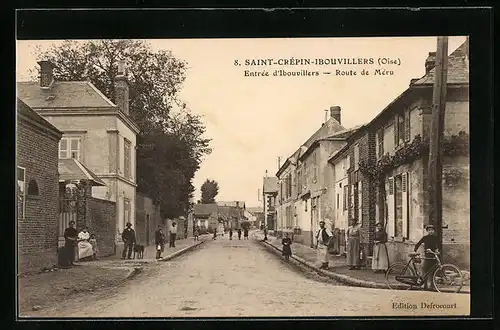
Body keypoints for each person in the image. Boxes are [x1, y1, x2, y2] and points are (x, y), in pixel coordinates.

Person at [414, 225, 439, 290]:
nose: (431, 231)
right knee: (425, 270)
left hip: (434, 256)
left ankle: (432, 285)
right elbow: (418, 244)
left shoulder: (435, 238)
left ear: (434, 231)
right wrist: (414, 250)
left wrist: (437, 250)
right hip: (427, 256)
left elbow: (437, 245)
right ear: (427, 231)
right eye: (429, 230)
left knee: (433, 271)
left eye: (432, 230)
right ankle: (423, 285)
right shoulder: (425, 237)